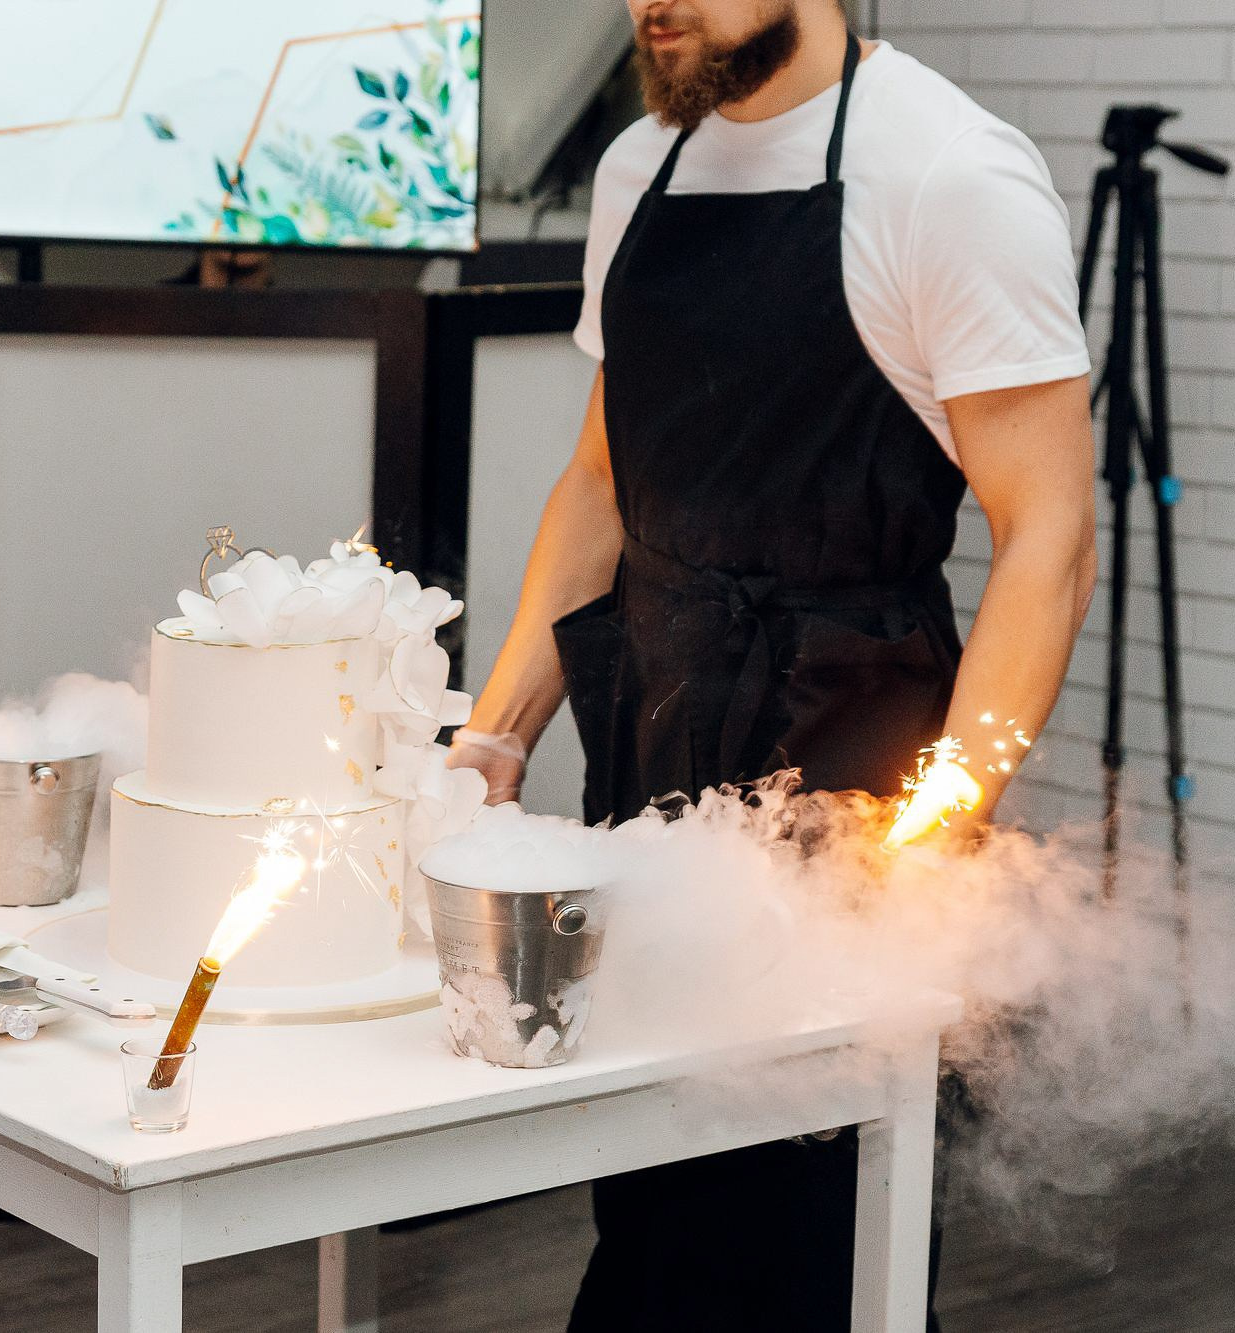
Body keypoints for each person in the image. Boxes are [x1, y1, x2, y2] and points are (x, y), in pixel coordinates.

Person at [447, 0, 1097, 1327]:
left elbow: (1050, 537)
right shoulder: (643, 168)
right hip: (649, 756)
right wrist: (499, 734)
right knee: (644, 1204)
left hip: (850, 784)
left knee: (804, 1248)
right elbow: (600, 482)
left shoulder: (947, 175)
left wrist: (940, 835)